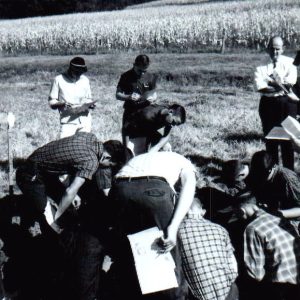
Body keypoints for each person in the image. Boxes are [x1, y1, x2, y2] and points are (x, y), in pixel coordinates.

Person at [109, 151, 197, 300]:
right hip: (154, 190)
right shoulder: (186, 165)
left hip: (120, 189)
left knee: (132, 248)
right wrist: (173, 228)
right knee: (166, 247)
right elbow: (188, 189)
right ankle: (174, 296)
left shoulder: (144, 158)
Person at [15, 132, 126, 232]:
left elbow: (74, 163)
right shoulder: (92, 162)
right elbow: (69, 192)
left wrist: (75, 193)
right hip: (29, 174)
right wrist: (57, 216)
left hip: (45, 171)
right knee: (50, 220)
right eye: (110, 165)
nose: (107, 167)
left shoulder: (89, 137)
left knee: (68, 210)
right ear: (106, 157)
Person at [179, 198, 238, 300]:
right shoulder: (220, 228)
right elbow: (232, 261)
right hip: (228, 289)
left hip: (200, 294)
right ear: (202, 211)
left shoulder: (176, 232)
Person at [254, 36, 298, 170]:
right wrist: (278, 85)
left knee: (288, 142)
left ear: (283, 49)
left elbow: (290, 83)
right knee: (270, 140)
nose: (275, 52)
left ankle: (288, 174)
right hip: (268, 105)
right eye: (272, 49)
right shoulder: (260, 65)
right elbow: (260, 87)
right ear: (267, 49)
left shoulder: (291, 63)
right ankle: (272, 174)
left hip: (287, 105)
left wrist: (270, 83)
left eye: (278, 49)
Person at [242, 204, 300, 300]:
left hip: (284, 288)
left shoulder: (252, 228)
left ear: (241, 210)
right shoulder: (280, 217)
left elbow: (256, 275)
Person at [49, 56, 96, 138]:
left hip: (85, 120)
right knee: (64, 148)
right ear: (71, 69)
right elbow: (52, 101)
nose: (79, 75)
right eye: (77, 72)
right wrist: (61, 104)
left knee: (83, 147)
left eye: (81, 73)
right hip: (68, 120)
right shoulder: (58, 80)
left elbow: (88, 98)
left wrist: (90, 105)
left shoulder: (85, 80)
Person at [247, 150, 300, 222]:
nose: (259, 178)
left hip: (289, 218)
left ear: (272, 168)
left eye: (262, 176)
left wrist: (274, 215)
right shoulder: (257, 172)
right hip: (269, 211)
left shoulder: (288, 179)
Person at [116, 54, 157, 142]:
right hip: (130, 112)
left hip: (146, 112)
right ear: (134, 65)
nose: (142, 73)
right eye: (139, 70)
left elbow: (154, 93)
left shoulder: (151, 77)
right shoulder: (125, 76)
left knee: (145, 138)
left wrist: (153, 98)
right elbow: (118, 94)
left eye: (144, 70)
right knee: (127, 138)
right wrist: (128, 97)